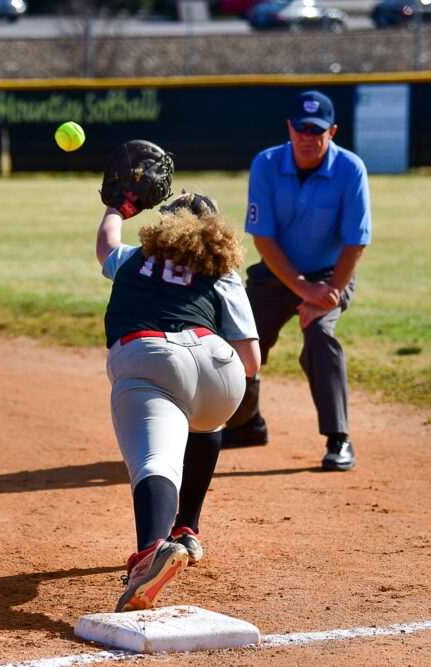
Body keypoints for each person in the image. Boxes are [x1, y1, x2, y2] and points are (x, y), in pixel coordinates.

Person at [97, 192, 260, 613]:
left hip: (150, 356)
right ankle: (188, 530)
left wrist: (116, 207)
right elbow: (251, 360)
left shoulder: (134, 258)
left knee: (155, 461)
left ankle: (152, 549)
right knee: (205, 422)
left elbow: (106, 246)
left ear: (162, 227)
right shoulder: (222, 272)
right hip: (219, 368)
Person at [221, 90, 371, 472]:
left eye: (316, 129)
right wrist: (303, 289)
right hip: (277, 273)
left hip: (331, 275)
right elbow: (263, 239)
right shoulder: (266, 164)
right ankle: (245, 424)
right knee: (238, 336)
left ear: (332, 131)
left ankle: (339, 438)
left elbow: (356, 242)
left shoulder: (350, 169)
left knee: (321, 336)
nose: (307, 136)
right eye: (300, 128)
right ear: (288, 127)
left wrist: (324, 293)